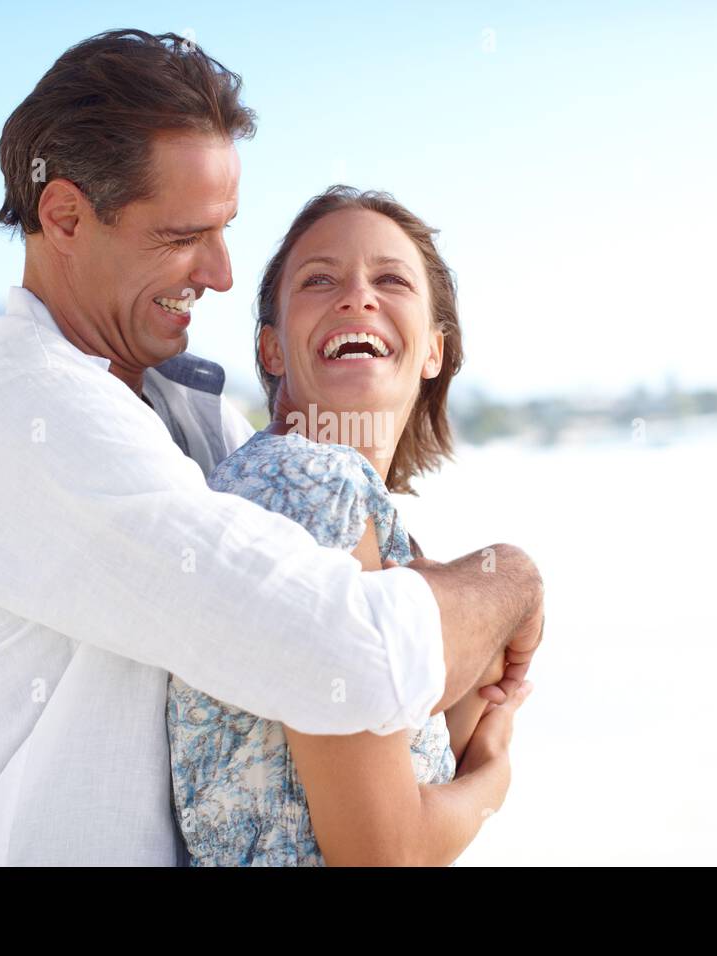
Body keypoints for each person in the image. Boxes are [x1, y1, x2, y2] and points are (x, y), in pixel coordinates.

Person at [0, 29, 544, 866]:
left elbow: (342, 618)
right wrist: (513, 582)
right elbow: (336, 651)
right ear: (63, 216)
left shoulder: (189, 413)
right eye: (182, 235)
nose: (221, 272)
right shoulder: (29, 421)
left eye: (226, 228)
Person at [170, 187, 533, 866]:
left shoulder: (358, 511)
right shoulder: (310, 487)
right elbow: (383, 852)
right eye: (320, 280)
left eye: (390, 279)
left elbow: (403, 773)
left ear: (433, 348)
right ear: (271, 350)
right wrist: (494, 780)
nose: (357, 297)